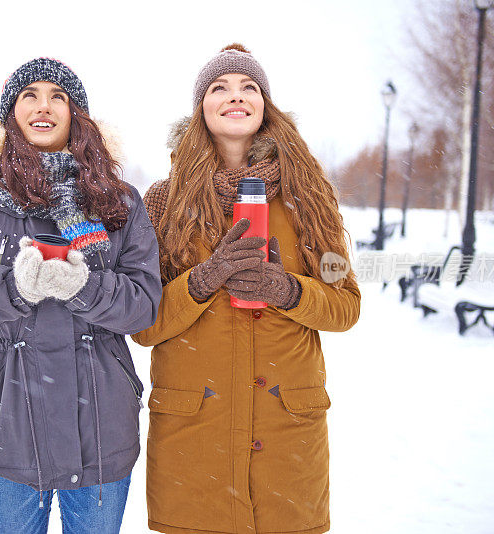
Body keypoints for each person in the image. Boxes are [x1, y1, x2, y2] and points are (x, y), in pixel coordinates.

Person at [0, 57, 161, 534]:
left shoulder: (120, 201)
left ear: (78, 114)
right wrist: (13, 289)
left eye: (58, 96)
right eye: (28, 95)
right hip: (9, 425)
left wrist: (84, 288)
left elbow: (143, 305)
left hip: (102, 427)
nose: (43, 106)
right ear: (10, 114)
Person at [132, 44, 361, 534]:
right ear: (201, 109)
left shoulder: (310, 198)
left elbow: (345, 305)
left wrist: (290, 291)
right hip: (195, 442)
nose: (235, 96)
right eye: (220, 87)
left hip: (287, 442)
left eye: (249, 87)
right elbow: (143, 325)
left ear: (265, 106)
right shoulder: (163, 202)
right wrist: (203, 280)